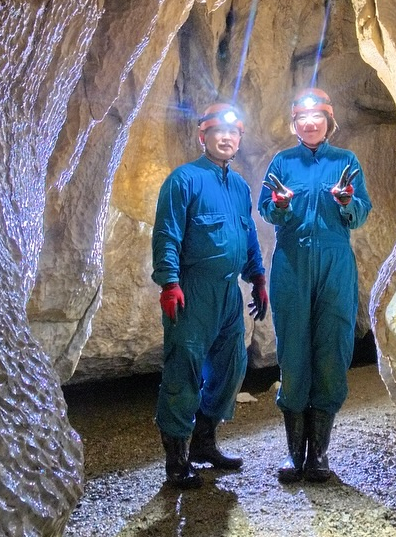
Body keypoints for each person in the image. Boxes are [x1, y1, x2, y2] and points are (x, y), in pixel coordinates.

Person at [151, 100, 268, 489]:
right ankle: (177, 460)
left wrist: (258, 277)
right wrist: (169, 282)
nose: (226, 138)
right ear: (203, 136)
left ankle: (205, 442)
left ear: (239, 139)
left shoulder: (238, 186)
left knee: (231, 366)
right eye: (219, 132)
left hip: (229, 292)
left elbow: (247, 232)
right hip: (192, 290)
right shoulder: (183, 180)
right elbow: (167, 234)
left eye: (233, 133)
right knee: (183, 369)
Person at [258, 87, 371, 484]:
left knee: (332, 347)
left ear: (328, 122)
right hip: (291, 263)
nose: (309, 123)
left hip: (335, 262)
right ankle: (294, 455)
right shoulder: (282, 162)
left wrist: (345, 202)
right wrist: (282, 205)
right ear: (294, 123)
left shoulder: (346, 161)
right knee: (293, 351)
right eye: (302, 118)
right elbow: (266, 208)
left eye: (317, 117)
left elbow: (360, 214)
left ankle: (319, 455)